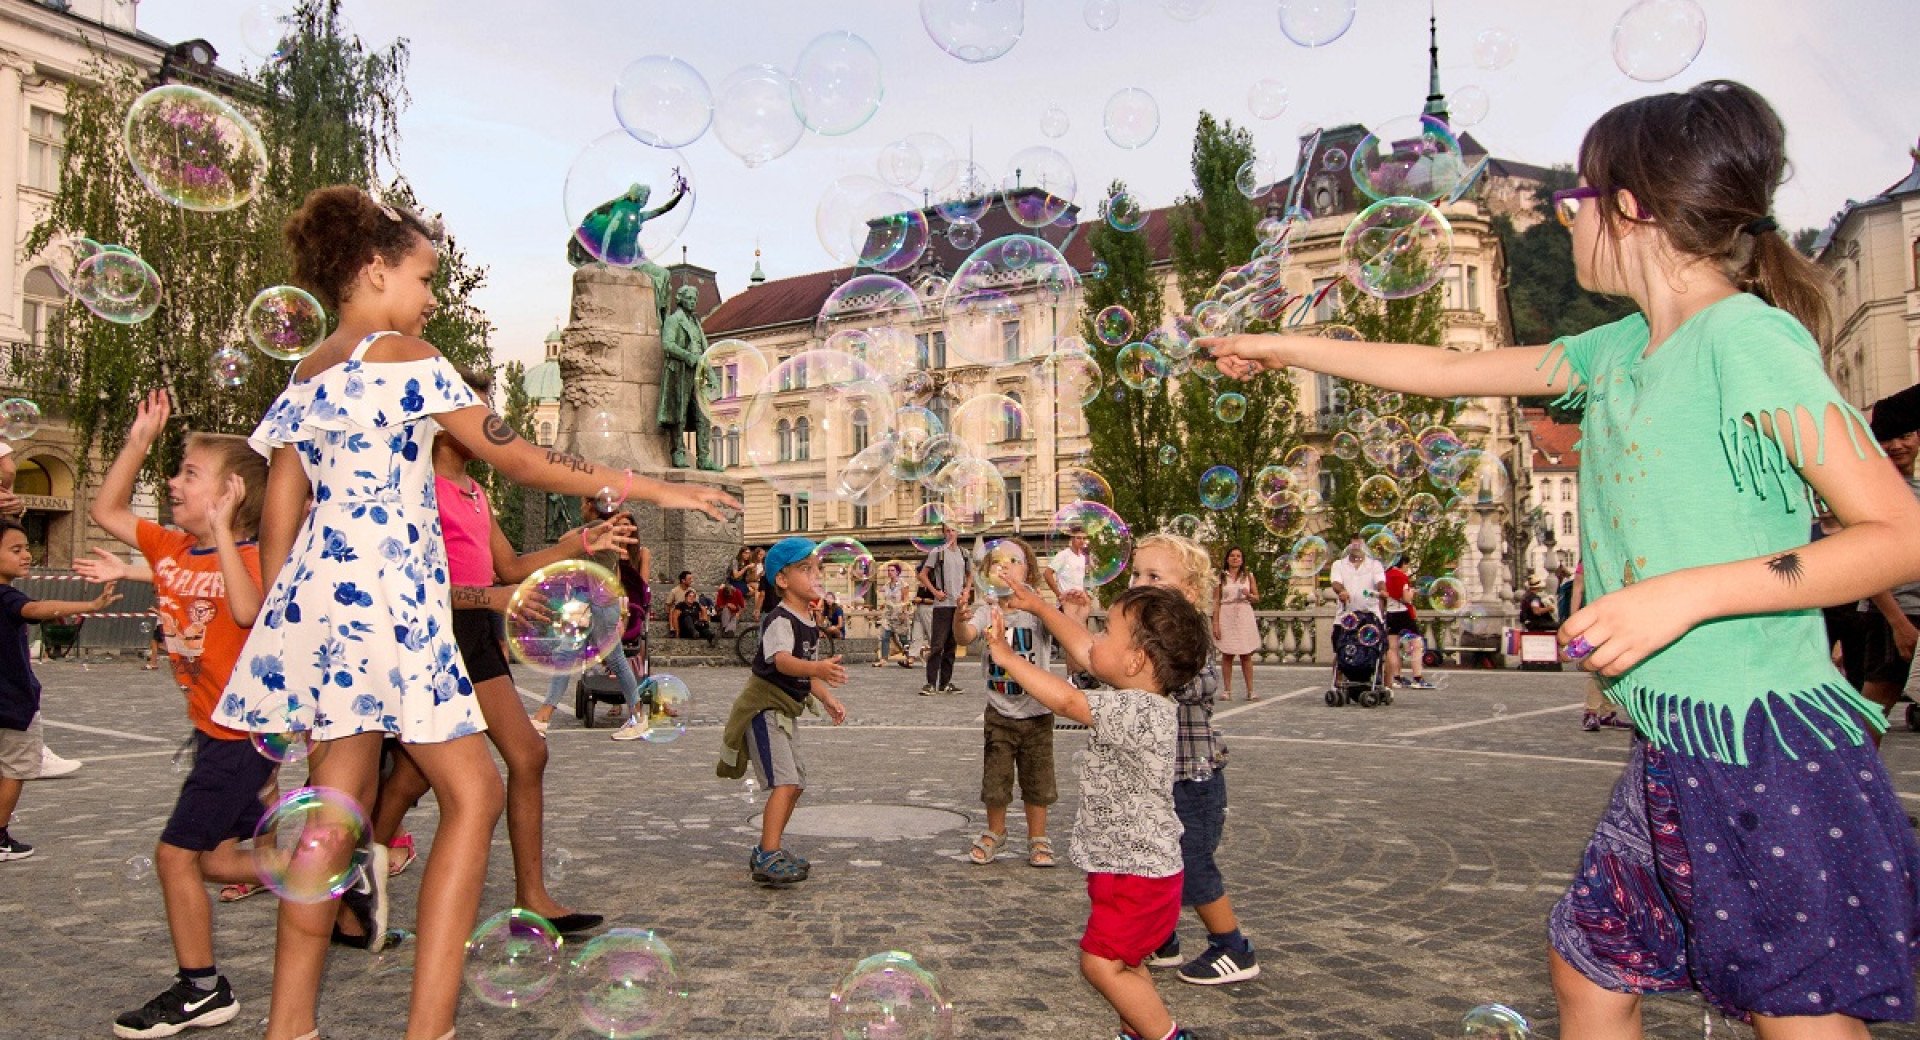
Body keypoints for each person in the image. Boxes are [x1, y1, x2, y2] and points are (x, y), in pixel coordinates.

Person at [1205, 80, 1920, 1035]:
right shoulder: (1617, 352)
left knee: (1793, 1012)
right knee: (1589, 963)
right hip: (1678, 738)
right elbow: (1448, 370)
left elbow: (1897, 533)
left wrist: (1687, 596)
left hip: (1760, 748)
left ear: (1631, 207)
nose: (1568, 210)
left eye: (1581, 194)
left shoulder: (1745, 339)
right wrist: (1278, 344)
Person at [213, 185, 737, 1040]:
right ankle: (430, 1029)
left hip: (318, 608)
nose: (428, 298)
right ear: (375, 270)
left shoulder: (306, 370)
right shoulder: (409, 358)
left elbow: (279, 519)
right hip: (391, 602)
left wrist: (289, 629)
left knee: (331, 813)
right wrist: (654, 484)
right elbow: (523, 459)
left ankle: (290, 1027)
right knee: (477, 789)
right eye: (422, 278)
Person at [355, 375, 635, 947]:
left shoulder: (473, 491)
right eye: (477, 412)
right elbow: (414, 587)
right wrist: (491, 599)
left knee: (411, 778)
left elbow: (507, 566)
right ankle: (359, 894)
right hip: (436, 632)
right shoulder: (416, 489)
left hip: (475, 631)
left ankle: (362, 894)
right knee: (523, 752)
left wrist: (581, 542)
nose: (490, 424)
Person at [87, 389, 276, 1038]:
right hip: (208, 732)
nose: (172, 481)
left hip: (240, 734)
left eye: (188, 474)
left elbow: (249, 609)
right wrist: (138, 439)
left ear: (229, 495)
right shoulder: (170, 549)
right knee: (217, 861)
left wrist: (225, 530)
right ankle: (335, 871)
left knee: (174, 857)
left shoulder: (250, 557)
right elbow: (105, 509)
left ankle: (202, 989)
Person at [982, 584, 1210, 1040]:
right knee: (1123, 964)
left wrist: (1007, 657)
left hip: (1138, 874)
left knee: (1101, 963)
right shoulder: (1137, 690)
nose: (1095, 638)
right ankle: (1141, 1032)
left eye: (1108, 630)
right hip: (1125, 868)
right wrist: (1040, 606)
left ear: (1135, 661)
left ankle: (1169, 1036)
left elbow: (1067, 699)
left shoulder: (1142, 710)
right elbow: (1087, 652)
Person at [717, 537, 847, 887]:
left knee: (797, 783)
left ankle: (769, 848)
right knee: (785, 781)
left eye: (817, 568)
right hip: (763, 710)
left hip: (783, 713)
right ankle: (768, 851)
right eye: (806, 569)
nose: (815, 575)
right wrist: (817, 669)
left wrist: (826, 698)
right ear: (783, 580)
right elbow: (783, 661)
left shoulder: (807, 619)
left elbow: (804, 670)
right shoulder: (780, 619)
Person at [0, 517, 120, 865]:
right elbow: (34, 609)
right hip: (12, 702)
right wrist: (90, 606)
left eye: (26, 548)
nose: (27, 555)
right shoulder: (7, 596)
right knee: (15, 769)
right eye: (16, 549)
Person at [952, 537, 1058, 869]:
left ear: (1030, 572)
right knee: (995, 781)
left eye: (1014, 561)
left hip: (1038, 711)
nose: (1005, 566)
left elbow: (1068, 635)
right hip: (999, 711)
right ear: (987, 573)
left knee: (1037, 780)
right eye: (997, 561)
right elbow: (964, 638)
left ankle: (1037, 837)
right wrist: (959, 617)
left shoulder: (1039, 612)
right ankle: (996, 831)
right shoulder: (988, 611)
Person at [532, 498, 650, 740]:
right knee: (569, 655)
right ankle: (543, 717)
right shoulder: (603, 531)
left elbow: (564, 541)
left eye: (584, 503)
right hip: (592, 603)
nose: (581, 507)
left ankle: (638, 718)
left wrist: (583, 529)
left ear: (592, 506)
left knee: (611, 660)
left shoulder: (597, 527)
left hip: (597, 605)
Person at [1853, 385, 1920, 738]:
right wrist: (1897, 621)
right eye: (1887, 438)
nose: (1897, 445)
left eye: (1905, 436)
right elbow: (1867, 561)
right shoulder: (1869, 487)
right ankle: (1858, 786)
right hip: (1892, 614)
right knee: (1876, 707)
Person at [917, 523, 970, 695]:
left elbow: (970, 574)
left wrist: (967, 590)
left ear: (958, 532)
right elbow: (923, 575)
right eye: (947, 531)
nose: (950, 533)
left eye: (953, 530)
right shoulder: (937, 553)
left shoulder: (964, 553)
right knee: (937, 645)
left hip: (957, 605)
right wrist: (935, 592)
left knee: (951, 646)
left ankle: (945, 683)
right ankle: (930, 683)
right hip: (942, 605)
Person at [1212, 547, 1260, 701]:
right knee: (1228, 654)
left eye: (1238, 556)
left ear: (1242, 559)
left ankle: (1251, 690)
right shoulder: (1221, 577)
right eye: (1232, 556)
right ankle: (1227, 690)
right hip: (1227, 613)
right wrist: (1216, 623)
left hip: (1244, 613)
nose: (1235, 558)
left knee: (1246, 654)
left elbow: (1257, 598)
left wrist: (1249, 595)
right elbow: (1216, 601)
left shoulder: (1248, 576)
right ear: (1227, 559)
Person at [1381, 561, 1435, 690]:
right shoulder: (1401, 576)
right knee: (1416, 645)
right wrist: (1411, 593)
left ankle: (1397, 678)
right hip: (1404, 614)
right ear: (1402, 564)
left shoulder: (1385, 575)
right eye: (1407, 566)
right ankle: (1418, 678)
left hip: (1390, 614)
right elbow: (1405, 598)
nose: (1407, 569)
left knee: (1392, 647)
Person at [871, 562, 915, 668]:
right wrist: (883, 606)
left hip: (899, 613)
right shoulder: (886, 585)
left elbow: (905, 599)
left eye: (892, 570)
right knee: (885, 636)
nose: (890, 572)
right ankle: (883, 659)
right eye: (888, 570)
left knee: (903, 637)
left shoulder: (903, 584)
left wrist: (904, 612)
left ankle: (910, 658)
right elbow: (887, 599)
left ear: (897, 572)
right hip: (888, 614)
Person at [1328, 538, 1384, 620]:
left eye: (1361, 545)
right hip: (1345, 617)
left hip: (1371, 616)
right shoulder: (1338, 564)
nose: (1358, 548)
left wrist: (1382, 590)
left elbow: (1380, 581)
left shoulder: (1375, 564)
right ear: (1348, 547)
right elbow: (1336, 583)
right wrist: (1342, 591)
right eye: (1355, 545)